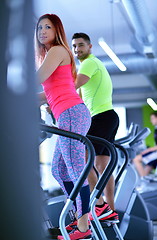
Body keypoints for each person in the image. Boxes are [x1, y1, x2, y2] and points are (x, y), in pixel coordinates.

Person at [35, 14, 92, 240]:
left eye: (48, 27)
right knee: (59, 170)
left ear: (57, 30)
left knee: (76, 170)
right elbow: (49, 92)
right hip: (68, 113)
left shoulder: (57, 50)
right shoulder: (53, 54)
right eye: (39, 27)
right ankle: (79, 217)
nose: (42, 31)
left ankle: (83, 225)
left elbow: (36, 77)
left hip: (71, 114)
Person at [72, 32, 119, 223]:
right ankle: (110, 210)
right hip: (106, 116)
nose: (77, 49)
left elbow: (75, 85)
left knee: (83, 160)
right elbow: (80, 98)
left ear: (90, 47)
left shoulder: (89, 63)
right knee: (102, 165)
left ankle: (100, 206)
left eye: (80, 45)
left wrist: (51, 96)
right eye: (74, 46)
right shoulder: (91, 65)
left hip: (101, 117)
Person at [133, 112, 157, 177]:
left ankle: (143, 180)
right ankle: (144, 183)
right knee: (148, 166)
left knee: (136, 159)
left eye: (152, 118)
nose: (151, 121)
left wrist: (148, 150)